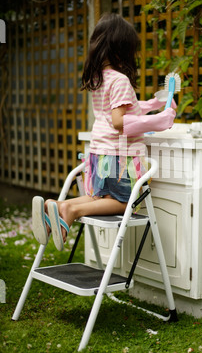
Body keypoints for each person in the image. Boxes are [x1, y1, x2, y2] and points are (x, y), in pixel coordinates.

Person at [32, 13, 176, 251]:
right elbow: (119, 121)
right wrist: (159, 121)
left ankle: (55, 205)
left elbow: (121, 109)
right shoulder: (120, 80)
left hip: (99, 153)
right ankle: (71, 209)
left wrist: (153, 105)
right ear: (122, 49)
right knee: (124, 203)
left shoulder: (99, 78)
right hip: (120, 157)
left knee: (100, 200)